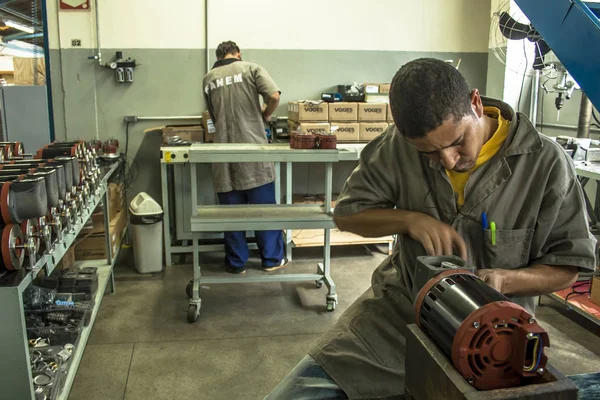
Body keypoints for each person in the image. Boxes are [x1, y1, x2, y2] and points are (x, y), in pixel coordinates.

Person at [266, 58, 597, 399]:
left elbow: (569, 266)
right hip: (401, 316)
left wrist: (505, 280)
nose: (450, 160)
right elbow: (348, 215)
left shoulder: (545, 163)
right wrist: (409, 219)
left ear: (475, 103)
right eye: (430, 153)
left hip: (494, 337)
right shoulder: (398, 145)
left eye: (457, 142)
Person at [203, 41, 287, 274]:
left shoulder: (208, 78)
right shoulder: (251, 68)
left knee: (231, 214)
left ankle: (236, 263)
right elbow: (274, 95)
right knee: (263, 211)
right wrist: (265, 115)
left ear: (218, 56)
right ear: (238, 54)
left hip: (223, 155)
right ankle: (271, 260)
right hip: (253, 153)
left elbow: (213, 116)